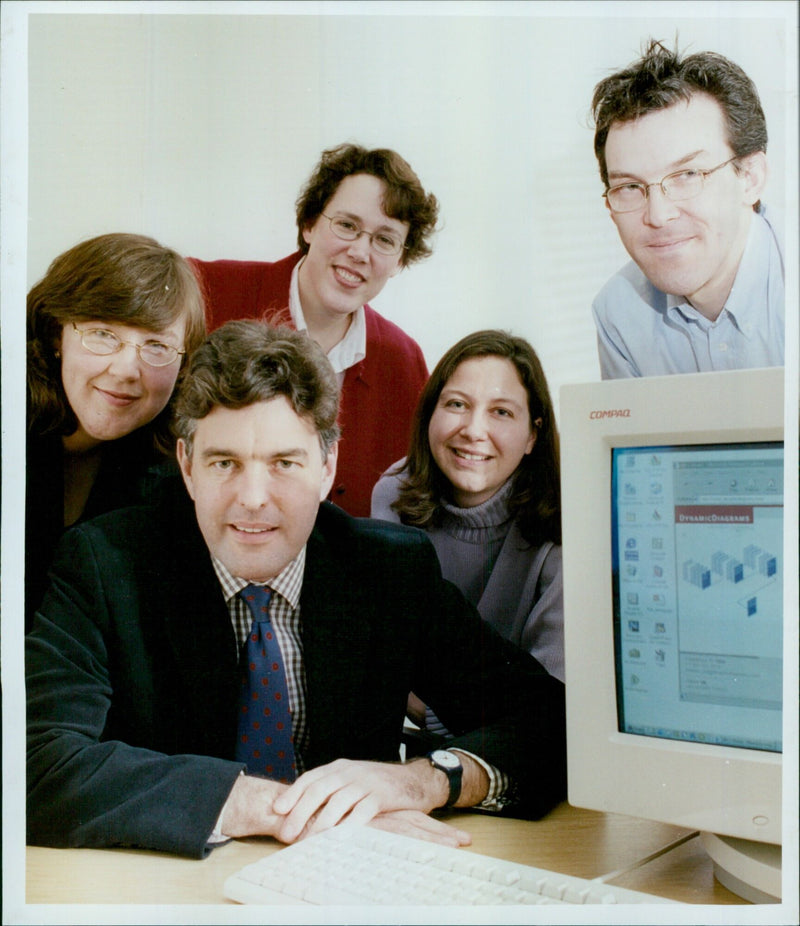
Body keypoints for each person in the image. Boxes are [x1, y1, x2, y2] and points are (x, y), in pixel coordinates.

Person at [26, 320, 567, 860]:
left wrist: (423, 781)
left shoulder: (388, 570)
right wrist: (280, 809)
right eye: (224, 463)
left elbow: (549, 721)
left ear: (327, 466)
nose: (253, 498)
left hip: (349, 885)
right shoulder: (104, 563)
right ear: (187, 467)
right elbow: (34, 762)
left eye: (284, 463)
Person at [190, 143, 438, 516]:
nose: (360, 252)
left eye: (384, 239)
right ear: (309, 225)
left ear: (400, 259)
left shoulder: (404, 362)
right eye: (347, 226)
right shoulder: (205, 291)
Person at [371, 331, 563, 741]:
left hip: (529, 758)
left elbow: (551, 700)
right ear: (430, 414)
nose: (474, 430)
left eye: (501, 413)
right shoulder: (393, 495)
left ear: (533, 434)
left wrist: (434, 712)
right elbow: (382, 665)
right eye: (457, 405)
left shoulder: (567, 521)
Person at [25, 232, 207, 630]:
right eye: (103, 334)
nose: (126, 370)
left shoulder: (175, 481)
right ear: (57, 334)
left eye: (157, 346)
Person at [590, 39, 784, 379]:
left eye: (687, 175)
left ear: (751, 178)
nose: (658, 216)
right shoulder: (618, 313)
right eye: (630, 187)